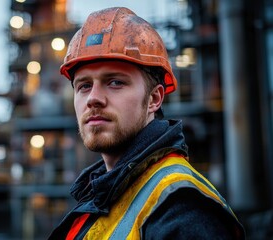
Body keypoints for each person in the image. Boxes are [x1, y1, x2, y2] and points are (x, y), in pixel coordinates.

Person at [48, 7, 245, 240]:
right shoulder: (102, 196)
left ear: (154, 99)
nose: (93, 99)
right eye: (84, 86)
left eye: (115, 82)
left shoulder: (181, 209)